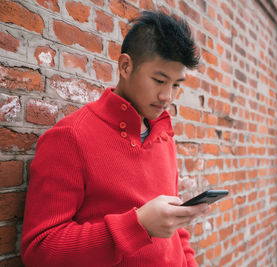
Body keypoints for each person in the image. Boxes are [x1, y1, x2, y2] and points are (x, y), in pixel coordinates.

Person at [21, 11, 208, 267]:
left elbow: (175, 229)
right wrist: (138, 226)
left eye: (176, 85)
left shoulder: (164, 136)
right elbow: (40, 249)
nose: (167, 96)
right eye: (159, 80)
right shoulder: (70, 137)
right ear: (125, 66)